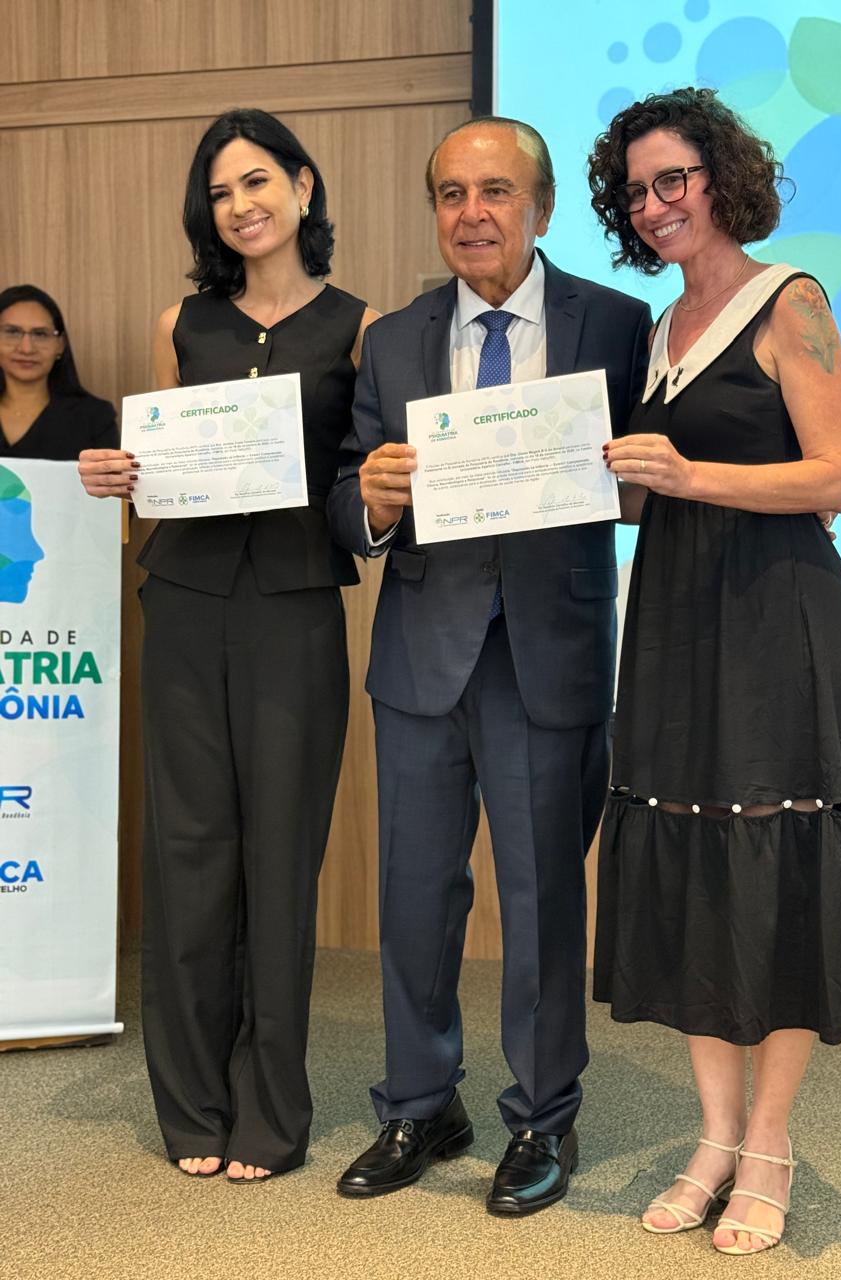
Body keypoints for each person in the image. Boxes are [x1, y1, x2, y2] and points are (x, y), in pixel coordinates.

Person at [586, 88, 841, 1254]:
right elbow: (647, 488)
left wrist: (686, 475)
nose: (654, 204)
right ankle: (714, 1134)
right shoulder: (660, 326)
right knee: (691, 864)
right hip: (675, 616)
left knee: (778, 868)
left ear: (721, 176)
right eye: (635, 191)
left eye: (673, 179)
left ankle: (769, 1142)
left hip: (778, 619)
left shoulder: (791, 298)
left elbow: (835, 474)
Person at [329, 116, 651, 1216]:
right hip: (423, 657)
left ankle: (542, 1117)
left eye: (497, 191)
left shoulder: (616, 323)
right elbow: (345, 493)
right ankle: (421, 1103)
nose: (473, 214)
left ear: (542, 208)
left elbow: (643, 480)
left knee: (542, 900)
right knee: (416, 898)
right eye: (452, 194)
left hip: (548, 655)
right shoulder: (393, 338)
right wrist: (371, 501)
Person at [78, 108, 377, 1183]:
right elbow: (156, 463)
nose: (241, 205)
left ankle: (270, 1108)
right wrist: (118, 472)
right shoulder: (182, 323)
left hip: (294, 606)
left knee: (282, 852)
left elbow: (358, 482)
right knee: (189, 850)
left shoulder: (360, 326)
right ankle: (193, 1103)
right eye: (219, 192)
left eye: (256, 181)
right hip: (186, 600)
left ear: (303, 185)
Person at [0, 284, 117, 459]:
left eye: (40, 334)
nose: (26, 348)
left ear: (60, 345)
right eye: (12, 332)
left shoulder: (96, 418)